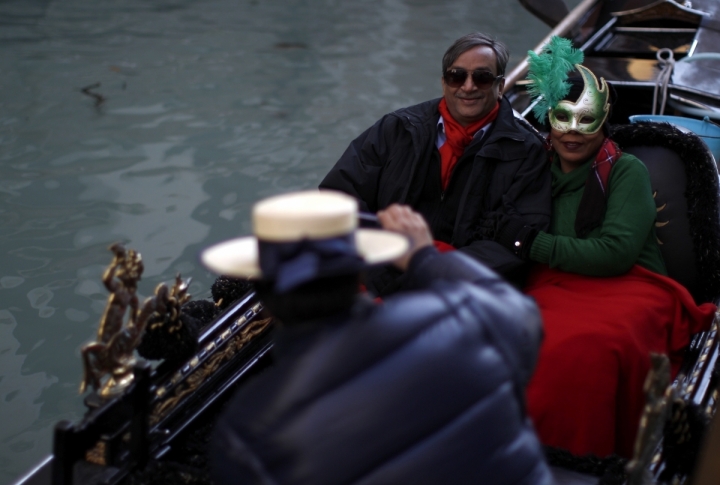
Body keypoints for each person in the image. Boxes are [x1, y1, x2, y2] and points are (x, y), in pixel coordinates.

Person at [201, 190, 554, 485]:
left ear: (264, 292)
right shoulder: (463, 314)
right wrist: (422, 256)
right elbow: (524, 320)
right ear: (359, 269)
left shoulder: (248, 430)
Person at [483, 37, 716, 458]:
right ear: (547, 119)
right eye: (563, 118)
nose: (572, 131)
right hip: (551, 285)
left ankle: (578, 459)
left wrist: (531, 242)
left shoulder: (626, 171)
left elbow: (616, 253)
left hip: (633, 286)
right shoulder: (531, 168)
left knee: (585, 347)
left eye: (586, 119)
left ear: (604, 120)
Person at [319, 32, 551, 295]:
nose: (468, 86)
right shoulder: (397, 128)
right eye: (457, 75)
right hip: (381, 267)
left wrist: (436, 272)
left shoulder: (526, 151)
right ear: (444, 83)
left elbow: (517, 239)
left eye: (482, 77)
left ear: (500, 86)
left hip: (464, 285)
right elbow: (337, 198)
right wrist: (380, 269)